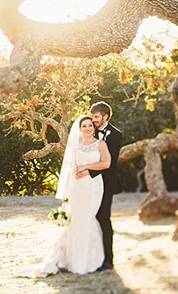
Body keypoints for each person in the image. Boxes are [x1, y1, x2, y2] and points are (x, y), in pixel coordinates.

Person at [19, 115, 112, 277]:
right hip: (77, 187)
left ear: (94, 127)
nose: (88, 128)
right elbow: (69, 171)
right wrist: (66, 193)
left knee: (88, 218)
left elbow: (106, 163)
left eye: (90, 125)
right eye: (85, 126)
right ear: (80, 129)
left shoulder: (101, 144)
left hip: (94, 186)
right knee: (76, 221)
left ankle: (91, 260)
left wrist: (86, 168)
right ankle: (73, 261)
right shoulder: (76, 147)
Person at [79, 101, 122, 271]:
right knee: (88, 218)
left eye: (96, 117)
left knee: (103, 218)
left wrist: (88, 172)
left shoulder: (116, 135)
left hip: (105, 184)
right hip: (87, 184)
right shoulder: (90, 130)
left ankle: (108, 261)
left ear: (105, 116)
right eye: (92, 117)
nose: (93, 120)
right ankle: (90, 257)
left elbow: (108, 163)